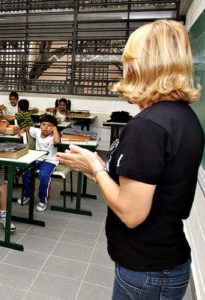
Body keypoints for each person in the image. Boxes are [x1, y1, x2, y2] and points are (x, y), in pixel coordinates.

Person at [57, 20, 204, 299]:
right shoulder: (182, 117)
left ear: (147, 65)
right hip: (165, 262)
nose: (124, 68)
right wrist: (95, 169)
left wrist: (98, 168)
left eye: (128, 60)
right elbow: (148, 181)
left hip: (147, 270)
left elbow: (131, 213)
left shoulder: (148, 127)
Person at [19, 114, 60, 211]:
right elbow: (27, 128)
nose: (46, 128)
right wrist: (22, 130)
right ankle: (28, 194)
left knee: (44, 175)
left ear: (54, 127)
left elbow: (57, 141)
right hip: (37, 158)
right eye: (43, 125)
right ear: (40, 125)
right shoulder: (36, 131)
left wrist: (54, 129)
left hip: (50, 160)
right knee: (26, 172)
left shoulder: (54, 136)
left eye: (49, 125)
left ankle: (43, 200)